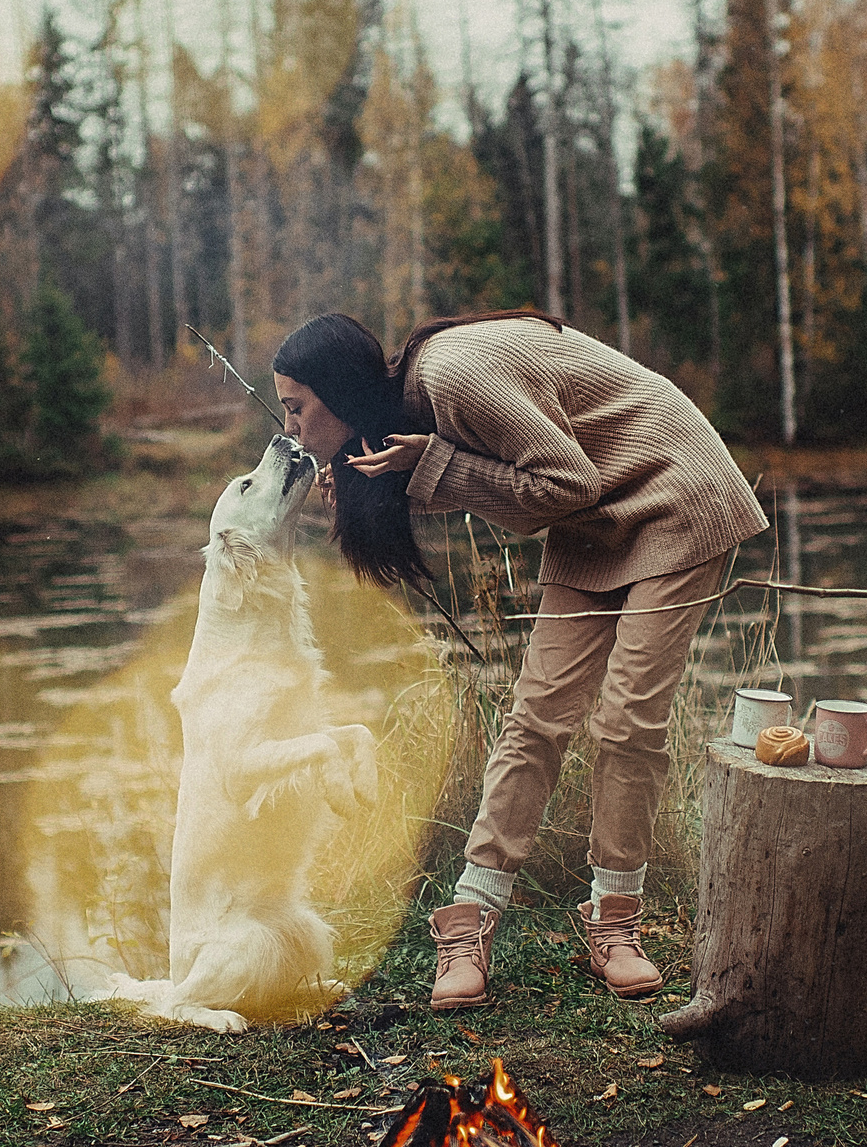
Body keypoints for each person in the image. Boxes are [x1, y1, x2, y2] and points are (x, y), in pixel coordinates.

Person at [268, 311, 766, 1012]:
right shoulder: (415, 405)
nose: (289, 425)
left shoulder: (452, 375)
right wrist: (392, 479)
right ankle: (471, 915)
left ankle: (615, 920)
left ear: (339, 391)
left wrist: (429, 465)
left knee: (627, 719)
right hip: (597, 514)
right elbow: (533, 485)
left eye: (296, 407)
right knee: (537, 714)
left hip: (676, 492)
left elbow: (563, 481)